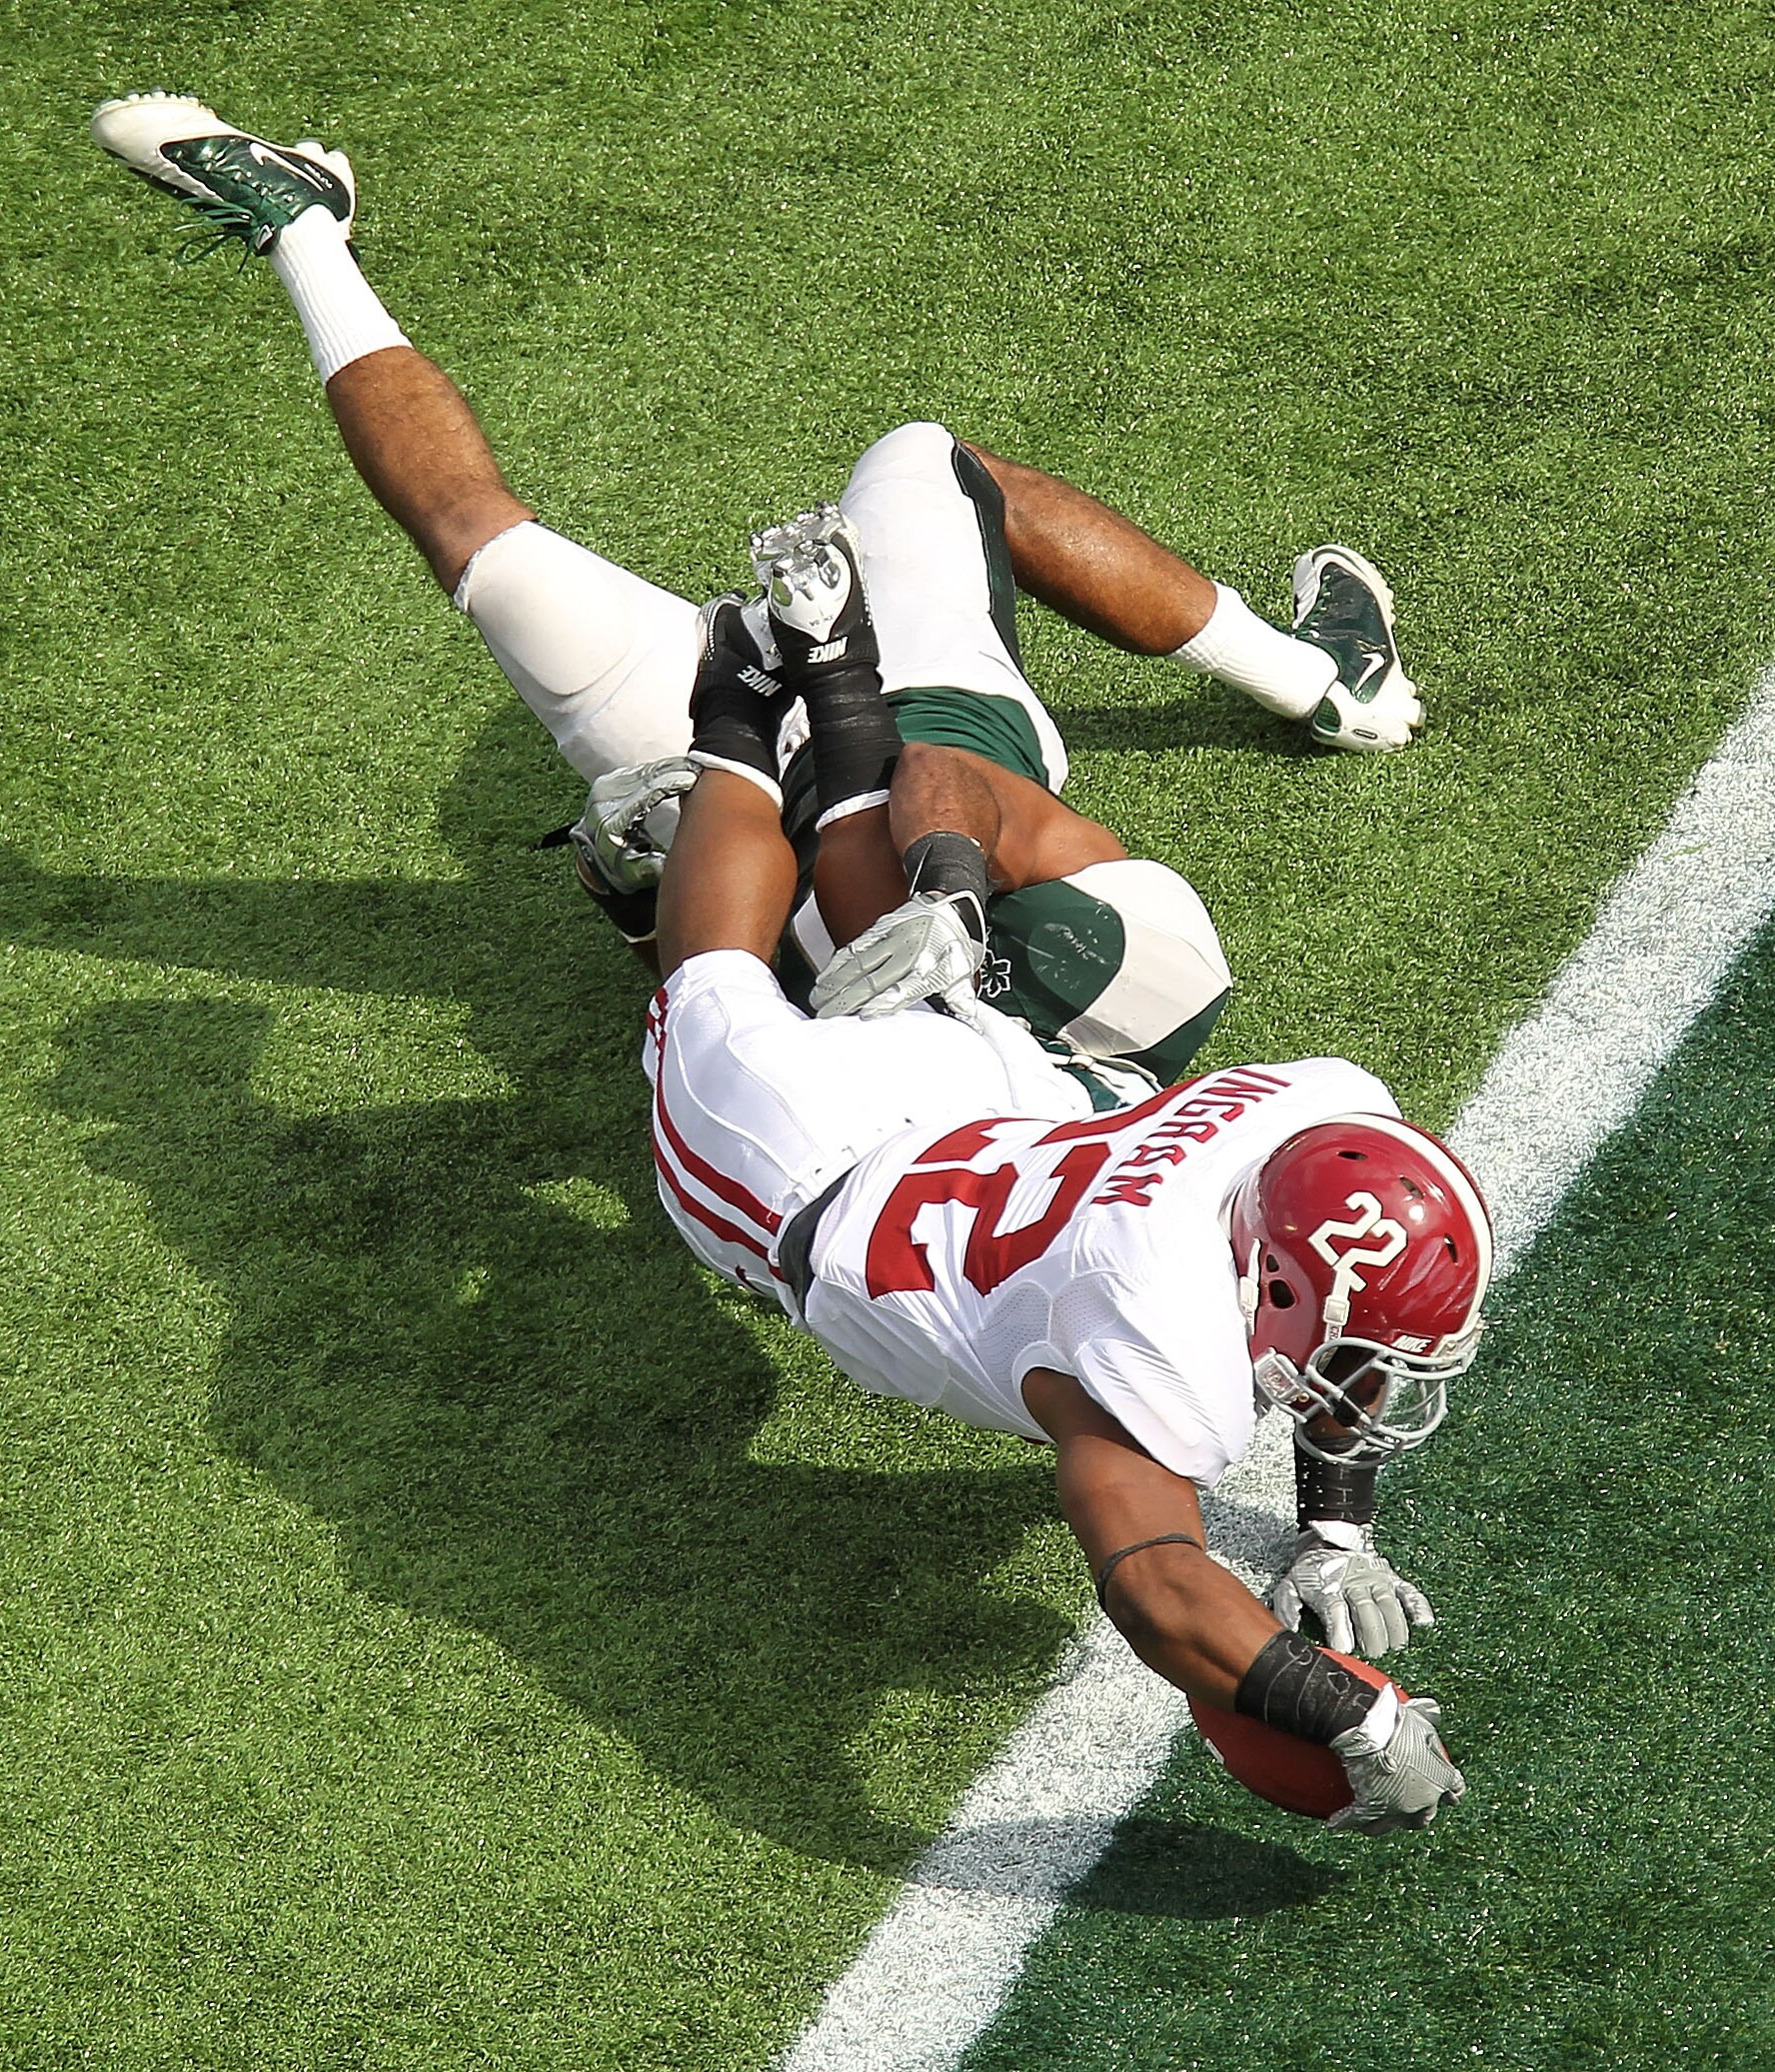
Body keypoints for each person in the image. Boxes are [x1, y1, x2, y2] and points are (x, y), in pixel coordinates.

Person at [93, 93, 1451, 1664]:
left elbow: (743, 1004)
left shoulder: (997, 1089)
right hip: (900, 725)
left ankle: (654, 841)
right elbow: (940, 802)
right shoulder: (1128, 950)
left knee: (554, 648)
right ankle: (1319, 677)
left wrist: (734, 770)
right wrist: (932, 850)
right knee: (907, 470)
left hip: (775, 833)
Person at [89, 94, 1425, 1100]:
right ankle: (1322, 683)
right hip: (921, 698)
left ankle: (301, 224)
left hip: (738, 771)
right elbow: (955, 779)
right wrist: (946, 885)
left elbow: (707, 1009)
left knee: (486, 559)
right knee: (922, 459)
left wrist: (629, 897)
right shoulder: (1151, 976)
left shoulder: (884, 1126)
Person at [634, 519, 1489, 1828]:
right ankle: (735, 704)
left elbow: (1341, 1305)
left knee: (894, 957)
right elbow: (1155, 1584)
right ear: (1262, 1284)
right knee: (705, 981)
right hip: (815, 1169)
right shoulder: (1152, 1339)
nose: (1372, 1373)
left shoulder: (1315, 1115)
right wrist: (1356, 1717)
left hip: (996, 1104)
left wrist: (1336, 1530)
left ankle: (830, 677)